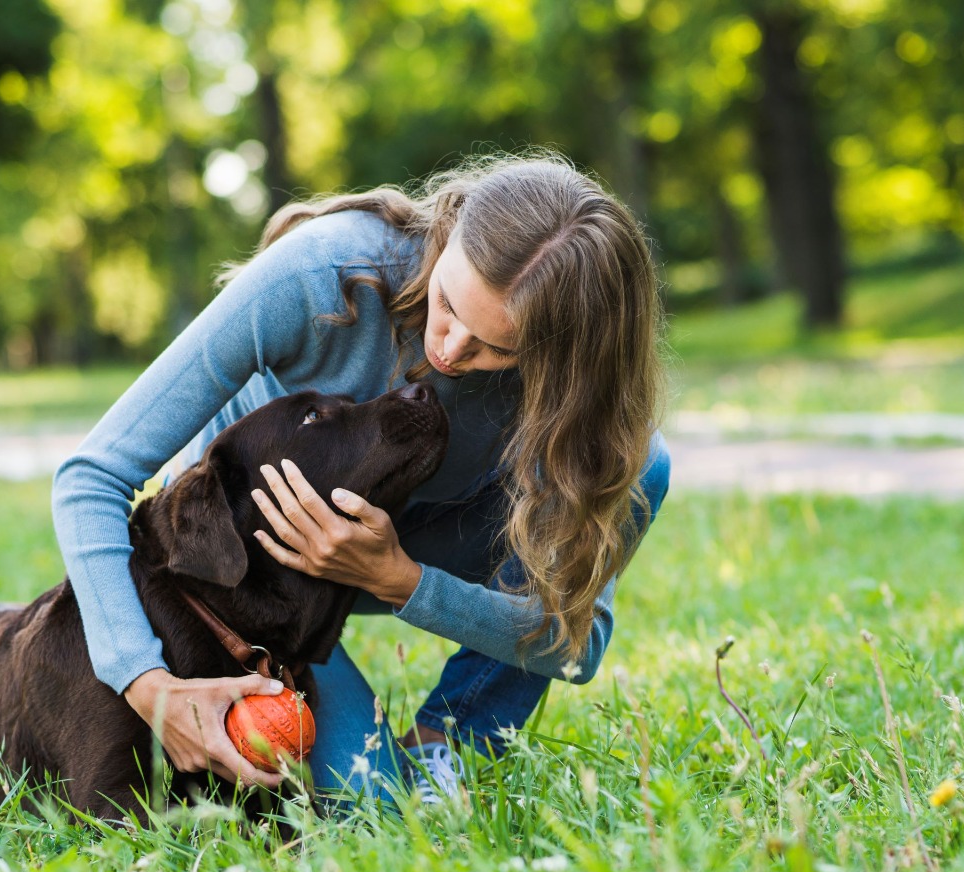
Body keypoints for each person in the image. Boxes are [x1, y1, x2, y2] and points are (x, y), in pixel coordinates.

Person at [51, 150, 670, 813]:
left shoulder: (585, 415)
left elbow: (575, 644)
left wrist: (400, 579)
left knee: (644, 466)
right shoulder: (324, 275)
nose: (451, 350)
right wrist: (147, 684)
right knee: (367, 805)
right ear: (452, 231)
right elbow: (91, 477)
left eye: (498, 347)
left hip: (418, 551)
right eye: (450, 304)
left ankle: (445, 744)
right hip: (262, 589)